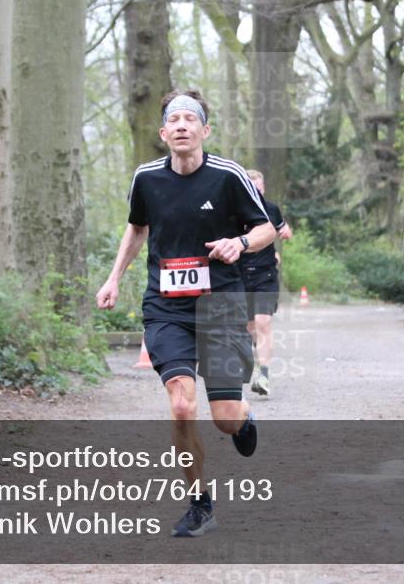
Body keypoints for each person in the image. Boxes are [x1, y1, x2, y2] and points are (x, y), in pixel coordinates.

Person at [96, 89, 276, 538]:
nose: (181, 125)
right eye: (173, 119)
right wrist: (114, 277)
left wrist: (241, 243)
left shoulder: (229, 176)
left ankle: (243, 417)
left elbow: (267, 228)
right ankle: (200, 504)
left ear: (204, 130)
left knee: (225, 418)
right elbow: (137, 228)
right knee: (180, 405)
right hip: (166, 307)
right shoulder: (146, 178)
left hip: (220, 307)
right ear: (163, 133)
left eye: (189, 119)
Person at [239, 170, 293, 397]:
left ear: (264, 189)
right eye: (252, 189)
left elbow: (283, 231)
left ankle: (264, 376)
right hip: (239, 274)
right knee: (249, 327)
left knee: (263, 323)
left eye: (259, 189)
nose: (256, 193)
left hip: (265, 275)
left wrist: (284, 234)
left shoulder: (271, 210)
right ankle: (254, 356)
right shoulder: (234, 212)